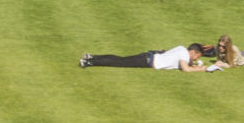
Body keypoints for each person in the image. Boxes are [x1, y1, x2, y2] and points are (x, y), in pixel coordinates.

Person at [80, 45, 212, 70]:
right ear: (193, 52)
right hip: (148, 61)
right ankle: (90, 62)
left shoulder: (181, 48)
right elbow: (186, 69)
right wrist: (202, 69)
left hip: (149, 56)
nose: (194, 59)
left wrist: (192, 65)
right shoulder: (184, 54)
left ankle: (91, 57)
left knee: (121, 59)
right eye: (196, 57)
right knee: (119, 62)